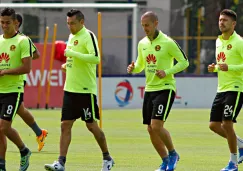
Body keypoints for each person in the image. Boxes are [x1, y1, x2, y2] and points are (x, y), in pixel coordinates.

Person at [44, 9, 114, 171]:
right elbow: (74, 59)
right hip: (70, 89)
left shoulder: (88, 35)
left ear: (82, 22)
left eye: (73, 23)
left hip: (85, 90)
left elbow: (95, 58)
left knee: (91, 126)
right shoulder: (71, 36)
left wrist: (73, 54)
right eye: (68, 23)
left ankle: (107, 158)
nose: (70, 27)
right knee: (65, 125)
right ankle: (60, 163)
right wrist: (67, 65)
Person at [127, 11, 189, 171]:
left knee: (156, 126)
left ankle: (173, 153)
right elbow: (141, 65)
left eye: (147, 25)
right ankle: (165, 160)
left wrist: (167, 72)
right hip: (149, 89)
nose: (145, 28)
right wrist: (133, 69)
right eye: (142, 26)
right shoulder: (142, 44)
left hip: (165, 88)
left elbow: (184, 62)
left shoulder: (168, 42)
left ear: (156, 23)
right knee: (150, 129)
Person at [208, 9, 243, 171]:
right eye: (220, 20)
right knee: (214, 125)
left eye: (225, 20)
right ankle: (241, 145)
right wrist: (214, 68)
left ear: (233, 24)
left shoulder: (240, 42)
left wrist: (230, 67)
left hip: (236, 88)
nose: (221, 22)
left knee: (227, 123)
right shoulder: (218, 41)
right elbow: (222, 65)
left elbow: (233, 66)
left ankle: (233, 163)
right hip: (221, 89)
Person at [0, 7, 32, 171]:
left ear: (15, 23)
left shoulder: (23, 41)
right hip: (0, 89)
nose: (4, 26)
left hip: (14, 89)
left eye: (7, 23)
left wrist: (5, 71)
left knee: (4, 127)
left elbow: (27, 68)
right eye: (2, 22)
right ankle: (1, 165)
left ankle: (24, 150)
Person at [15, 13, 48, 152]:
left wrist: (22, 58)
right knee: (20, 110)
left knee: (12, 112)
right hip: (5, 81)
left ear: (17, 23)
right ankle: (40, 133)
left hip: (16, 80)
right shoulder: (4, 39)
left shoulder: (23, 39)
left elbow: (36, 55)